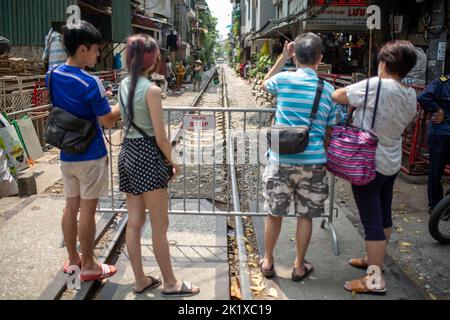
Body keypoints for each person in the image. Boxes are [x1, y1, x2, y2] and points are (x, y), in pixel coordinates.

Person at [332, 40, 418, 295]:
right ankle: (374, 260)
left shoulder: (376, 85)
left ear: (385, 62)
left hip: (367, 161)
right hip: (391, 161)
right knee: (383, 214)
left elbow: (338, 95)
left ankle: (374, 279)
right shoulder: (411, 93)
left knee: (372, 222)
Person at [118, 34, 200, 297]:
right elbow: (161, 137)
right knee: (159, 226)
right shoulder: (151, 90)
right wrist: (175, 163)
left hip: (128, 154)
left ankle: (140, 279)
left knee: (134, 222)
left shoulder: (123, 85)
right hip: (148, 158)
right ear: (150, 60)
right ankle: (170, 283)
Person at [46, 21, 121, 282]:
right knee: (88, 211)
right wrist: (121, 105)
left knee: (70, 206)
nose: (98, 55)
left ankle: (73, 259)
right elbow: (107, 120)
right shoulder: (91, 82)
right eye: (95, 50)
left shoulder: (52, 74)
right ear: (81, 49)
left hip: (67, 154)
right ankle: (89, 265)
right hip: (91, 155)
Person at [260, 33, 338, 284]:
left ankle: (269, 261)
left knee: (274, 212)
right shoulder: (328, 90)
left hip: (280, 158)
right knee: (305, 215)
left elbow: (264, 83)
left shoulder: (283, 80)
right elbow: (332, 124)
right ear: (320, 59)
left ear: (295, 56)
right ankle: (298, 266)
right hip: (313, 160)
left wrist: (283, 58)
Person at [418, 74, 450, 214]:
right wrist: (437, 110)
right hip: (440, 134)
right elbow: (423, 96)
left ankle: (446, 206)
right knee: (436, 172)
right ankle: (436, 207)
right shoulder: (442, 83)